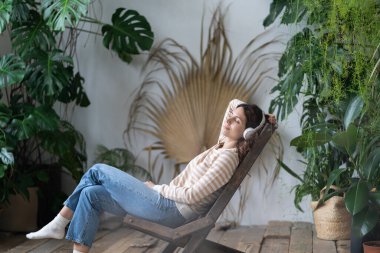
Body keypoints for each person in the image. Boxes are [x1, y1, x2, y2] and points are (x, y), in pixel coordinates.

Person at [26, 99, 276, 253]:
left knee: (98, 171)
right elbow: (234, 102)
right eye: (230, 117)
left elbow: (192, 195)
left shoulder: (227, 158)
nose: (229, 120)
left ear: (246, 133)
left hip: (173, 210)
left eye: (237, 122)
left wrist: (157, 188)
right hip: (168, 205)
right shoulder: (223, 143)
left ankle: (60, 222)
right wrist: (259, 120)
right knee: (92, 195)